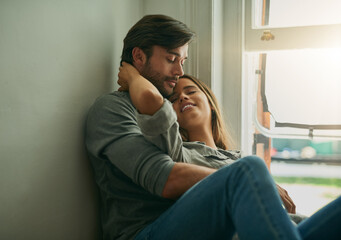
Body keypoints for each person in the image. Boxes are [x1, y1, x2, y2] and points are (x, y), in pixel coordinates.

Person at [85, 14, 295, 240]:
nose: (179, 72)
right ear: (138, 56)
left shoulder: (168, 119)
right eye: (171, 59)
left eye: (182, 61)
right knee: (249, 168)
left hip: (185, 221)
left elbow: (174, 153)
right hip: (144, 232)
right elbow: (164, 177)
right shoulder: (111, 108)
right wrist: (247, 182)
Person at [117, 62, 341, 240]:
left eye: (190, 91)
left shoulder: (236, 160)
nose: (181, 97)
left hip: (288, 230)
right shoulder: (177, 150)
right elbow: (152, 104)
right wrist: (131, 74)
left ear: (210, 103)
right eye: (173, 98)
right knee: (251, 166)